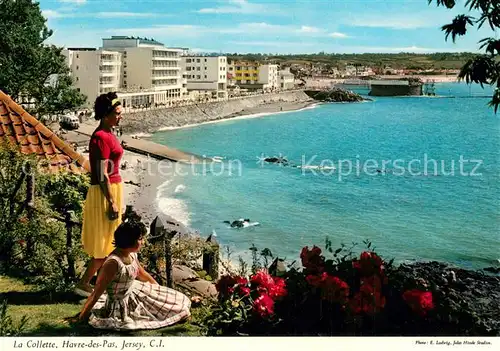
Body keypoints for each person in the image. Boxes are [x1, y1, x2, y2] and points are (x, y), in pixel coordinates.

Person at [68, 218, 191, 330]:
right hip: (120, 302)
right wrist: (81, 318)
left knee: (177, 300)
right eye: (140, 239)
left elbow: (142, 274)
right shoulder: (113, 263)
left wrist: (159, 290)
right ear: (129, 240)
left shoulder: (132, 255)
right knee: (176, 311)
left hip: (136, 291)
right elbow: (96, 293)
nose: (143, 242)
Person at [75, 92, 124, 297]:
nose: (120, 116)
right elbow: (102, 173)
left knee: (111, 241)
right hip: (106, 192)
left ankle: (104, 282)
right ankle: (84, 283)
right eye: (117, 113)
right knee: (106, 243)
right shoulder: (100, 137)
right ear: (106, 115)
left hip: (112, 189)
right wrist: (111, 201)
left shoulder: (109, 134)